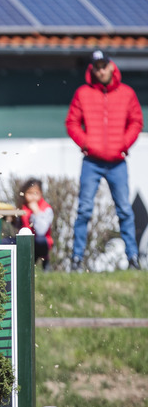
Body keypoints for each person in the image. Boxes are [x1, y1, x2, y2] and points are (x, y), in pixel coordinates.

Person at [65, 50, 143, 271]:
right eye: (96, 67)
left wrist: (123, 145)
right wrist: (87, 144)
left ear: (111, 66)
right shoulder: (83, 93)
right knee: (84, 211)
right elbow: (72, 123)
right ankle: (77, 259)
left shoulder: (127, 93)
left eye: (104, 66)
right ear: (93, 70)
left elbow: (136, 121)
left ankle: (133, 258)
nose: (101, 70)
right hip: (92, 162)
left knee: (125, 210)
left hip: (117, 162)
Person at [16, 178, 54, 269]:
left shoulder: (47, 209)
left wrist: (36, 212)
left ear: (41, 193)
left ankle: (45, 261)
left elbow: (41, 231)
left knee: (39, 240)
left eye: (35, 193)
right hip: (25, 239)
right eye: (29, 193)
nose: (32, 196)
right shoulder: (23, 208)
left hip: (41, 242)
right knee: (6, 241)